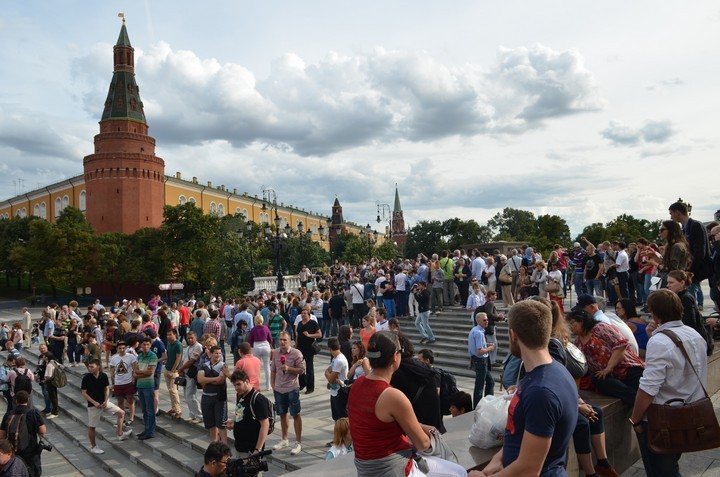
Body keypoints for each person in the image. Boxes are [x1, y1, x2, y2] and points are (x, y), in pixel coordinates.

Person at [347, 331, 467, 477]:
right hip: (393, 468)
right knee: (459, 472)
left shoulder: (357, 384)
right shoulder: (392, 395)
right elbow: (422, 443)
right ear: (394, 357)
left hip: (365, 467)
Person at [480, 301, 578, 477]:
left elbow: (529, 469)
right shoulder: (552, 371)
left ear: (513, 335)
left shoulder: (540, 392)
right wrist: (499, 458)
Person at [630, 288, 708, 477]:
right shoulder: (694, 334)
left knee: (661, 470)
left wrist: (636, 419)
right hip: (688, 412)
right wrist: (653, 337)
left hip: (662, 418)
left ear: (654, 314)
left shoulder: (660, 342)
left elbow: (648, 389)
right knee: (670, 464)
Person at [568, 310, 644, 407]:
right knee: (597, 379)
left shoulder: (600, 328)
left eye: (572, 323)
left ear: (581, 321)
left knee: (638, 391)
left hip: (628, 368)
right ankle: (636, 402)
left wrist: (609, 367)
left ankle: (639, 404)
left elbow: (621, 344)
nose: (570, 327)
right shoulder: (578, 342)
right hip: (609, 376)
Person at [80, 359, 133, 454]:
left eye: (92, 367)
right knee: (92, 427)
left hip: (104, 402)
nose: (90, 368)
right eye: (89, 367)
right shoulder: (86, 378)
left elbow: (107, 388)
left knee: (121, 413)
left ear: (98, 367)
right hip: (93, 405)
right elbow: (84, 393)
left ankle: (120, 433)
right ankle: (93, 446)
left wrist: (106, 400)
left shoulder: (103, 376)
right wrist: (94, 402)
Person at [271, 331, 306, 457]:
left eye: (285, 340)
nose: (282, 342)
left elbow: (301, 370)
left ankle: (298, 442)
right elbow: (273, 371)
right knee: (282, 414)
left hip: (292, 388)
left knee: (295, 414)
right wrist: (273, 385)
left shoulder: (296, 353)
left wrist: (289, 369)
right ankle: (285, 439)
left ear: (290, 341)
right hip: (279, 389)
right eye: (280, 339)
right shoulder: (275, 353)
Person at [0, 391, 46, 477]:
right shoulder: (33, 413)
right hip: (31, 452)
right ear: (28, 399)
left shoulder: (9, 414)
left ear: (16, 401)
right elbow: (43, 431)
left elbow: (1, 435)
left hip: (13, 452)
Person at [227, 370, 271, 454]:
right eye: (234, 385)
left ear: (247, 381)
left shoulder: (258, 400)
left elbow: (265, 425)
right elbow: (240, 415)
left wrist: (257, 449)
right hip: (240, 447)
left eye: (238, 384)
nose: (236, 388)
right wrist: (233, 422)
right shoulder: (241, 396)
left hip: (251, 450)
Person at [198, 345, 231, 445]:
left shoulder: (223, 365)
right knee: (211, 423)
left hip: (219, 398)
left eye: (220, 353)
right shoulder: (204, 365)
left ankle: (224, 445)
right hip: (207, 397)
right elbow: (200, 380)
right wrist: (214, 379)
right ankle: (214, 443)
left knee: (221, 424)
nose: (218, 355)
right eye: (216, 353)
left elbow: (221, 380)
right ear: (211, 354)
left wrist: (207, 381)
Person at [468, 312, 494, 408]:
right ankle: (479, 406)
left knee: (489, 382)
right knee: (480, 385)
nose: (486, 321)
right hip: (480, 361)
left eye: (487, 319)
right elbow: (479, 351)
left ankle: (487, 403)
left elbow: (477, 346)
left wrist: (486, 345)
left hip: (478, 360)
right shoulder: (478, 333)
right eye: (484, 320)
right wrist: (489, 349)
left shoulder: (475, 330)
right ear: (478, 321)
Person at [133, 338, 158, 440]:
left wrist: (139, 374)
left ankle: (150, 431)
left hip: (148, 385)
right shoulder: (139, 356)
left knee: (150, 409)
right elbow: (135, 370)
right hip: (140, 386)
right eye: (144, 344)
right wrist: (141, 373)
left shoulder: (153, 356)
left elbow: (150, 372)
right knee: (144, 409)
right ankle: (146, 429)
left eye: (148, 344)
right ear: (141, 345)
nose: (146, 346)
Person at [177, 331, 203, 424]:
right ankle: (192, 414)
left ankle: (199, 415)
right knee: (186, 395)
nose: (190, 340)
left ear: (196, 337)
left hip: (192, 373)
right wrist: (181, 370)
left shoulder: (198, 346)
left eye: (192, 338)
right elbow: (184, 360)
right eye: (188, 338)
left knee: (190, 395)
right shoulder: (188, 347)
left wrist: (181, 369)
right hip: (186, 373)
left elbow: (191, 361)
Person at [295, 307, 321, 395]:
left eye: (305, 313)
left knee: (309, 368)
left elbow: (319, 334)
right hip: (300, 348)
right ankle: (302, 384)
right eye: (302, 313)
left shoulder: (313, 323)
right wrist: (296, 345)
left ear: (309, 315)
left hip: (309, 348)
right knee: (299, 366)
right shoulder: (299, 323)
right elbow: (297, 335)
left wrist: (309, 335)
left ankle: (310, 387)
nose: (303, 315)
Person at [324, 337, 349, 421]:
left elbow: (329, 376)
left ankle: (345, 433)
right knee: (336, 416)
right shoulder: (335, 358)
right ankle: (339, 432)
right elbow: (327, 371)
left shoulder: (339, 360)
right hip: (334, 390)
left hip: (341, 390)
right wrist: (329, 375)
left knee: (342, 417)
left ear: (329, 348)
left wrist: (329, 376)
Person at [247, 315, 273, 391]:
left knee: (256, 367)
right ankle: (268, 385)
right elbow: (270, 338)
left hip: (256, 346)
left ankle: (256, 385)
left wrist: (251, 346)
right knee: (267, 366)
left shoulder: (253, 329)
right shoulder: (266, 328)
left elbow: (250, 340)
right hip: (265, 345)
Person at [164, 329, 184, 418]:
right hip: (167, 368)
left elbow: (178, 358)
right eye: (167, 335)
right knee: (170, 390)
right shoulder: (169, 344)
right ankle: (173, 407)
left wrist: (173, 370)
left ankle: (178, 410)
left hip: (174, 371)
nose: (168, 336)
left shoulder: (178, 345)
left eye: (170, 334)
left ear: (175, 334)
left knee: (173, 390)